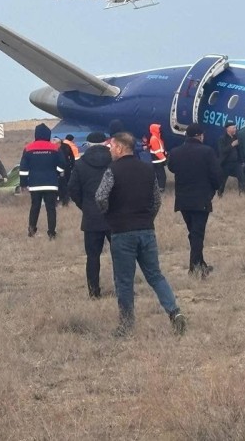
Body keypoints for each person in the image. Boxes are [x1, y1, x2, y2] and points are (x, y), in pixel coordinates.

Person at [95, 132, 187, 337]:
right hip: (146, 229)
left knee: (124, 281)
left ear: (119, 148)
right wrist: (147, 218)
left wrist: (110, 214)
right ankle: (174, 312)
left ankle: (126, 325)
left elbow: (100, 197)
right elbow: (157, 200)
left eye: (111, 147)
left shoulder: (112, 170)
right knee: (155, 275)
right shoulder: (147, 169)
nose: (110, 150)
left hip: (122, 232)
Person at [167, 123, 220, 278]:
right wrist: (213, 190)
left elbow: (171, 168)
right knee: (197, 233)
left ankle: (200, 263)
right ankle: (194, 267)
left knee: (193, 232)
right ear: (199, 136)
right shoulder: (207, 152)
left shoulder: (176, 152)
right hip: (201, 198)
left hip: (183, 199)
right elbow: (215, 175)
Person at [68, 132, 112, 299]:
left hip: (91, 217)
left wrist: (85, 205)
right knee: (120, 255)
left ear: (88, 144)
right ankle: (123, 287)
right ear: (105, 143)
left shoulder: (80, 165)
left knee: (92, 257)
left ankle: (94, 292)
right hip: (114, 215)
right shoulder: (113, 161)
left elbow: (72, 189)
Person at [20, 123, 66, 239]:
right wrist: (56, 173)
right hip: (51, 183)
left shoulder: (28, 148)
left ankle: (32, 231)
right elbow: (62, 164)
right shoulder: (55, 148)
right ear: (48, 135)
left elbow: (23, 169)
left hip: (35, 184)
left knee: (35, 207)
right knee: (51, 208)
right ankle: (51, 233)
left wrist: (23, 184)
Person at [217, 121, 245, 196]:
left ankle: (242, 194)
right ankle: (220, 194)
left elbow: (240, 150)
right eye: (233, 128)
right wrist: (232, 145)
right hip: (226, 163)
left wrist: (242, 161)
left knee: (242, 178)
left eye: (235, 128)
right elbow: (222, 151)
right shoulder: (222, 139)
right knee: (222, 181)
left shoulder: (237, 138)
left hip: (236, 163)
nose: (235, 129)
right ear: (228, 129)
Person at [53, 136, 76, 207]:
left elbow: (72, 157)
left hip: (63, 168)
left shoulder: (58, 148)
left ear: (58, 143)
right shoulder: (67, 146)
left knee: (63, 184)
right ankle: (63, 200)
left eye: (55, 143)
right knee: (64, 184)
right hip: (65, 167)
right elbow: (72, 157)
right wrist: (72, 166)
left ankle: (64, 200)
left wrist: (72, 166)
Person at [148, 124, 168, 192]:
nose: (160, 129)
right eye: (158, 128)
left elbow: (160, 149)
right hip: (157, 160)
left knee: (160, 174)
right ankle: (160, 188)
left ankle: (159, 187)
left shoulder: (156, 137)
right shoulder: (154, 139)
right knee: (161, 175)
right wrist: (164, 159)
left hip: (158, 160)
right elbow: (157, 152)